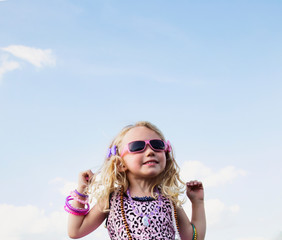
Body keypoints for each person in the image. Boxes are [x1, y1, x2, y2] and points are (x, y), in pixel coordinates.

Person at [66, 121, 206, 240]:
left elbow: (193, 237)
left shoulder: (169, 200)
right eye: (137, 147)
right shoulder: (112, 199)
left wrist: (197, 202)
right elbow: (76, 231)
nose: (150, 151)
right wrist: (82, 191)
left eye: (157, 145)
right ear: (120, 163)